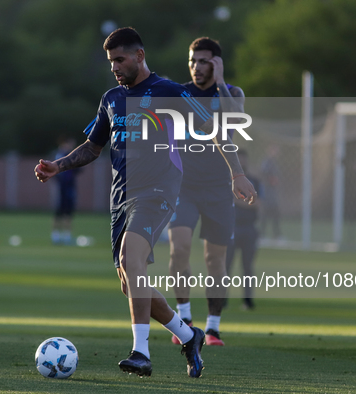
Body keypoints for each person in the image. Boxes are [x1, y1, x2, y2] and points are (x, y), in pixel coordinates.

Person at [35, 27, 257, 378]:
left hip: (158, 192)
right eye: (111, 62)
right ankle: (188, 335)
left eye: (120, 60)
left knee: (130, 259)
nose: (115, 67)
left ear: (139, 56)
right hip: (121, 197)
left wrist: (237, 174)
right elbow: (94, 146)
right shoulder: (111, 98)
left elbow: (214, 128)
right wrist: (57, 166)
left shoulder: (169, 91)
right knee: (129, 280)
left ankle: (141, 352)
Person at [168, 37, 245, 347]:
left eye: (204, 61)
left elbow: (235, 119)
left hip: (218, 190)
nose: (196, 67)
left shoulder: (232, 93)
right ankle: (184, 321)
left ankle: (213, 328)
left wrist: (221, 82)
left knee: (215, 261)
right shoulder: (180, 93)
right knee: (180, 249)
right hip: (183, 187)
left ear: (216, 63)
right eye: (193, 61)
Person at [226, 150, 261, 310]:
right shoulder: (227, 181)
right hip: (231, 228)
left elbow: (259, 203)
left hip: (249, 228)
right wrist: (245, 199)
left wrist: (237, 199)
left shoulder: (254, 181)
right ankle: (221, 301)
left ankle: (248, 301)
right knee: (225, 266)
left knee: (248, 267)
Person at [51, 137, 79, 245]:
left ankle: (67, 236)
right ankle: (56, 236)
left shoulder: (73, 156)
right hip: (61, 188)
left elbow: (78, 170)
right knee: (58, 212)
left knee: (68, 212)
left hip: (70, 187)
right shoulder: (59, 155)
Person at [260, 145, 281, 239]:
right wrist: (271, 180)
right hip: (266, 192)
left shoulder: (274, 162)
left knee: (275, 213)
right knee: (265, 213)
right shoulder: (267, 162)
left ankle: (276, 234)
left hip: (272, 192)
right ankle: (263, 234)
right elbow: (263, 175)